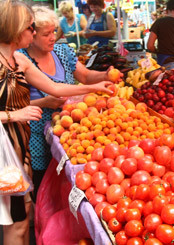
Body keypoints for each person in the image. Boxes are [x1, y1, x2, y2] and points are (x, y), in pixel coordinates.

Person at [0, 1, 112, 244]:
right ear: (16, 29)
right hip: (3, 149)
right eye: (31, 28)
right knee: (13, 219)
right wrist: (13, 115)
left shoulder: (20, 61)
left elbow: (54, 87)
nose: (34, 32)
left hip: (19, 146)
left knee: (20, 218)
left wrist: (95, 85)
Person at [18, 5, 114, 201]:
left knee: (68, 184)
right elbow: (16, 103)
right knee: (44, 183)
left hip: (73, 129)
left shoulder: (63, 52)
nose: (53, 37)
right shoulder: (21, 60)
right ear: (32, 35)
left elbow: (86, 76)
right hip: (37, 132)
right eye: (46, 34)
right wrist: (45, 101)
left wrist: (105, 75)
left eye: (54, 31)